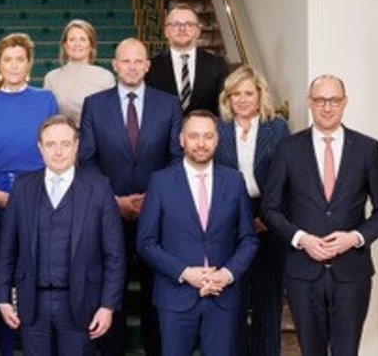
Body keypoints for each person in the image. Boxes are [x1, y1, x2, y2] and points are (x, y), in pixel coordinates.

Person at [260, 75, 378, 356]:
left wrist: (355, 238)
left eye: (334, 100)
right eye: (320, 100)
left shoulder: (367, 148)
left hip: (351, 273)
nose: (327, 107)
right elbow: (269, 209)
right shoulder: (288, 149)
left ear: (344, 102)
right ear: (309, 102)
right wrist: (301, 239)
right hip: (302, 272)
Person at [78, 37, 183, 356]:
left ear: (148, 66)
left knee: (157, 290)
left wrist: (153, 198)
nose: (132, 67)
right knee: (111, 290)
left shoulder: (169, 104)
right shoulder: (94, 105)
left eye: (138, 61)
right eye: (126, 61)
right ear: (115, 65)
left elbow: (177, 157)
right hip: (108, 212)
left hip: (158, 215)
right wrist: (113, 200)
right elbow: (87, 160)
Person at [0, 115, 125, 356]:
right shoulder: (23, 187)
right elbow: (7, 250)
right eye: (50, 144)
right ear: (40, 148)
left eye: (65, 144)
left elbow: (114, 255)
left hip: (81, 303)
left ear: (76, 146)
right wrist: (3, 298)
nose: (58, 152)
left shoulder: (99, 187)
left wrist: (107, 306)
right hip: (32, 303)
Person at [137, 110, 260, 356]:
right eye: (194, 136)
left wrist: (226, 274)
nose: (201, 143)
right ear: (181, 139)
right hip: (175, 298)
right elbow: (146, 242)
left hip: (223, 297)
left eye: (207, 136)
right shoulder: (160, 182)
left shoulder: (234, 181)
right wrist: (185, 273)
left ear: (217, 140)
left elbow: (248, 239)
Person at [0, 32, 59, 356]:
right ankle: (6, 346)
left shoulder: (45, 99)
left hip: (37, 192)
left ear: (29, 64)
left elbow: (54, 145)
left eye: (20, 59)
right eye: (8, 60)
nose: (15, 65)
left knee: (39, 267)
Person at [214, 66, 290, 356]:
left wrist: (269, 217)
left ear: (260, 95)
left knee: (267, 302)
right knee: (232, 300)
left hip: (269, 216)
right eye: (236, 94)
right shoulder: (218, 129)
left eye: (249, 93)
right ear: (228, 98)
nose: (243, 99)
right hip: (228, 220)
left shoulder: (277, 128)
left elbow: (288, 177)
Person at [147, 4, 229, 115]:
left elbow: (223, 110)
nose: (182, 28)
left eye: (189, 24)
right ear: (166, 32)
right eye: (176, 24)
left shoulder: (217, 65)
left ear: (198, 31)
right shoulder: (150, 67)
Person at [42, 19, 116, 125]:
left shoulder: (106, 77)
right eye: (72, 39)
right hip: (63, 134)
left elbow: (111, 118)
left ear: (91, 45)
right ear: (65, 45)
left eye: (83, 39)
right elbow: (48, 119)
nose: (77, 44)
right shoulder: (51, 78)